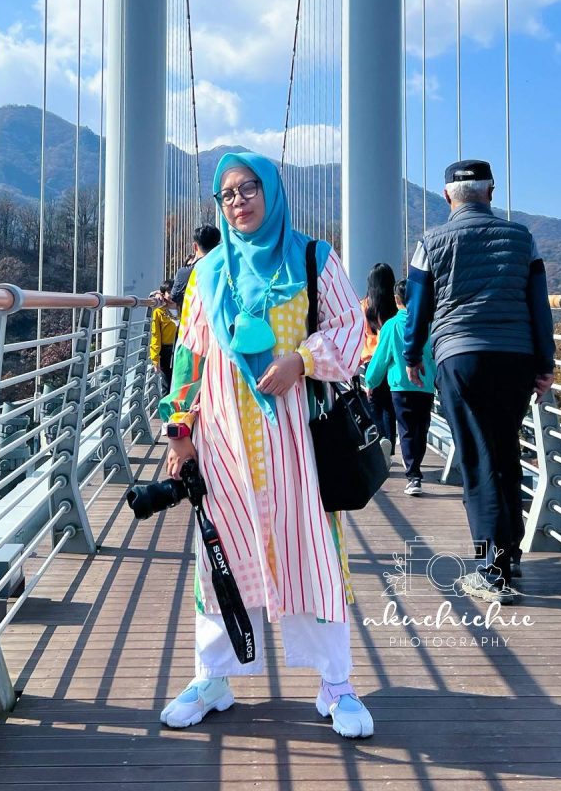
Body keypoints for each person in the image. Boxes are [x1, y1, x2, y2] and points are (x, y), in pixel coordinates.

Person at [158, 151, 374, 739]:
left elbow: (353, 333)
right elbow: (190, 357)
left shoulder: (313, 258)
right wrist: (180, 434)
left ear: (272, 191)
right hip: (223, 442)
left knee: (311, 557)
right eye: (226, 194)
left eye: (249, 188)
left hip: (295, 445)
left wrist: (300, 359)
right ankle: (214, 677)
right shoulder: (207, 275)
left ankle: (337, 685)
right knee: (220, 560)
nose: (239, 201)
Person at [402, 160, 555, 604]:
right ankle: (511, 553)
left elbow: (417, 309)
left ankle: (492, 571)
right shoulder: (522, 238)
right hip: (516, 358)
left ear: (447, 197)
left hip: (460, 357)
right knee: (505, 451)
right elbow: (539, 307)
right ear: (491, 193)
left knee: (477, 458)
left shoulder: (429, 242)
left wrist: (412, 356)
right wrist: (544, 364)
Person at [365, 279, 436, 496]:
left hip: (400, 386)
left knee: (406, 429)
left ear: (397, 300)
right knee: (421, 429)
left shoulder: (391, 326)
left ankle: (413, 476)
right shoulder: (427, 324)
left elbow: (381, 358)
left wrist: (370, 382)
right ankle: (415, 470)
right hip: (426, 385)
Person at [360, 263, 398, 459]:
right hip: (391, 362)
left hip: (371, 363)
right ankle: (390, 448)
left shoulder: (364, 306)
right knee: (389, 407)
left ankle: (380, 447)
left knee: (374, 406)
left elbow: (360, 337)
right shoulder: (397, 307)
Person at [170, 224, 222, 307]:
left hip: (197, 318)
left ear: (195, 246)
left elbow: (173, 298)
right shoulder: (226, 266)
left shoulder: (185, 272)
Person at [150, 279, 179, 391]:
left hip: (183, 348)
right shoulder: (159, 312)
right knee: (167, 385)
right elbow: (155, 336)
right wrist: (155, 358)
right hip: (167, 351)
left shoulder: (183, 308)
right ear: (163, 294)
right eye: (168, 292)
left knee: (181, 385)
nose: (172, 295)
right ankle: (167, 408)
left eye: (174, 291)